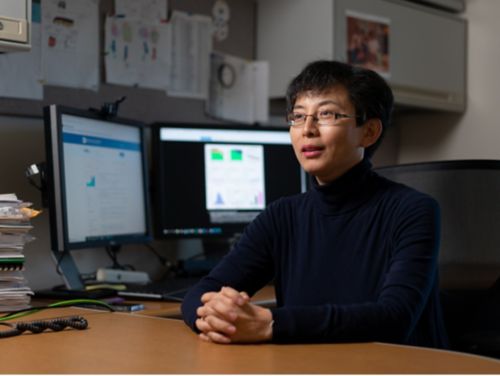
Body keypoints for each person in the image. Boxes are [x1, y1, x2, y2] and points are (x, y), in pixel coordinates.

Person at [181, 60, 449, 348]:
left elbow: (395, 319)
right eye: (297, 116)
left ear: (368, 131)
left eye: (327, 114)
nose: (307, 129)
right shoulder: (282, 215)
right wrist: (213, 315)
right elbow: (202, 292)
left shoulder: (413, 210)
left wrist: (271, 325)